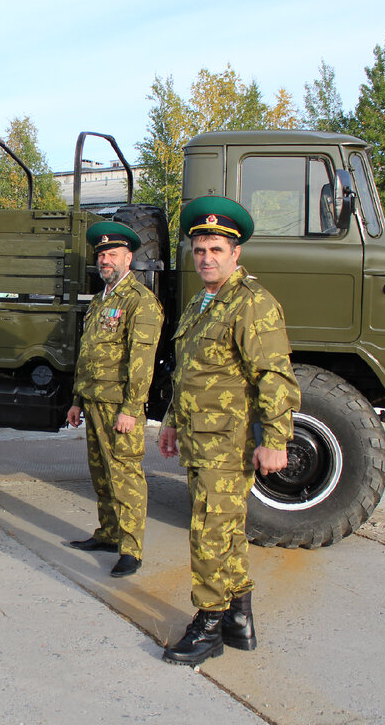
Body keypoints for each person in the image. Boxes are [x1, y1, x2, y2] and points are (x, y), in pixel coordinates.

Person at [157, 197, 300, 665]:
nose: (206, 258)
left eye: (216, 249)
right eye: (200, 250)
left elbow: (273, 375)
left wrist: (276, 439)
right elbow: (191, 371)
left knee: (208, 531)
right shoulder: (203, 302)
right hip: (201, 438)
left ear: (235, 253)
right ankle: (238, 619)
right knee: (226, 532)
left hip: (228, 442)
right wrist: (172, 422)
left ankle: (208, 624)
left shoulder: (252, 303)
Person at [66, 221, 163, 578]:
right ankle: (108, 533)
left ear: (129, 258)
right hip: (93, 400)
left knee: (125, 476)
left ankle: (131, 550)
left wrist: (131, 410)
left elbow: (141, 361)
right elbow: (88, 353)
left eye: (112, 254)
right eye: (101, 255)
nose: (105, 260)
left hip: (119, 405)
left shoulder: (140, 302)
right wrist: (77, 399)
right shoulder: (100, 299)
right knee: (102, 475)